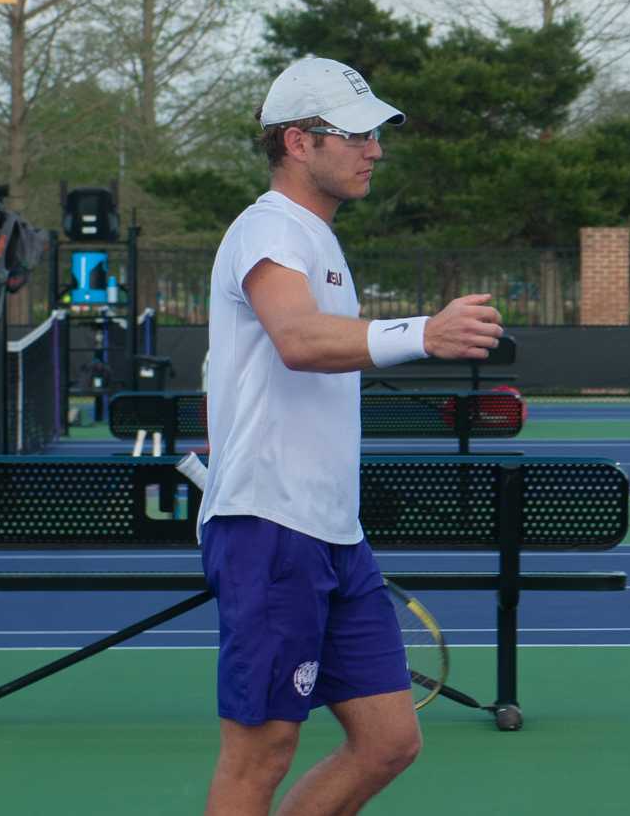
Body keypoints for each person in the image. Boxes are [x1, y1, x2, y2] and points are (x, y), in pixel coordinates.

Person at [199, 57, 503, 816]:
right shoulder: (270, 226)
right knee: (259, 752)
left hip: (333, 533)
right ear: (299, 142)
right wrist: (423, 333)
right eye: (357, 134)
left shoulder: (318, 239)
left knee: (388, 739)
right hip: (271, 528)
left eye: (378, 134)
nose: (376, 150)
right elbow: (298, 338)